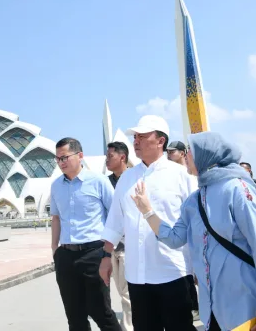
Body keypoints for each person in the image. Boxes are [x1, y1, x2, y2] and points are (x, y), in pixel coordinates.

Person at [131, 131, 256, 331]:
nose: (186, 155)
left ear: (206, 155)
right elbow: (173, 239)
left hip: (244, 302)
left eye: (190, 150)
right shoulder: (194, 200)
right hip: (212, 308)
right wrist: (147, 212)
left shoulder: (238, 189)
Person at [99, 115, 198, 331]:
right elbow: (115, 220)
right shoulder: (127, 178)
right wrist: (106, 256)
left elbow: (195, 224)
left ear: (160, 141)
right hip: (137, 275)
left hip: (173, 271)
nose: (136, 142)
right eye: (135, 137)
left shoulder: (181, 176)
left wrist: (198, 264)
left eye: (142, 137)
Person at [51, 137, 121, 331]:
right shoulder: (56, 185)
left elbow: (115, 215)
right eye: (57, 159)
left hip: (94, 254)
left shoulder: (98, 181)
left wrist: (108, 251)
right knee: (74, 316)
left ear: (80, 155)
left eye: (64, 157)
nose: (61, 163)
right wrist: (54, 250)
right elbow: (55, 218)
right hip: (66, 255)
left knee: (101, 312)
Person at [166, 140, 200, 321]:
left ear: (182, 153)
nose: (169, 155)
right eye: (168, 152)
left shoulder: (190, 177)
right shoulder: (166, 175)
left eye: (172, 152)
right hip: (177, 235)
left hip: (192, 235)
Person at [105, 141, 132, 331]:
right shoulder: (105, 182)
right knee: (120, 290)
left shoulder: (133, 179)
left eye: (110, 156)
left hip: (129, 245)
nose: (107, 160)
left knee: (127, 293)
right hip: (111, 246)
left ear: (122, 157)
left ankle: (129, 327)